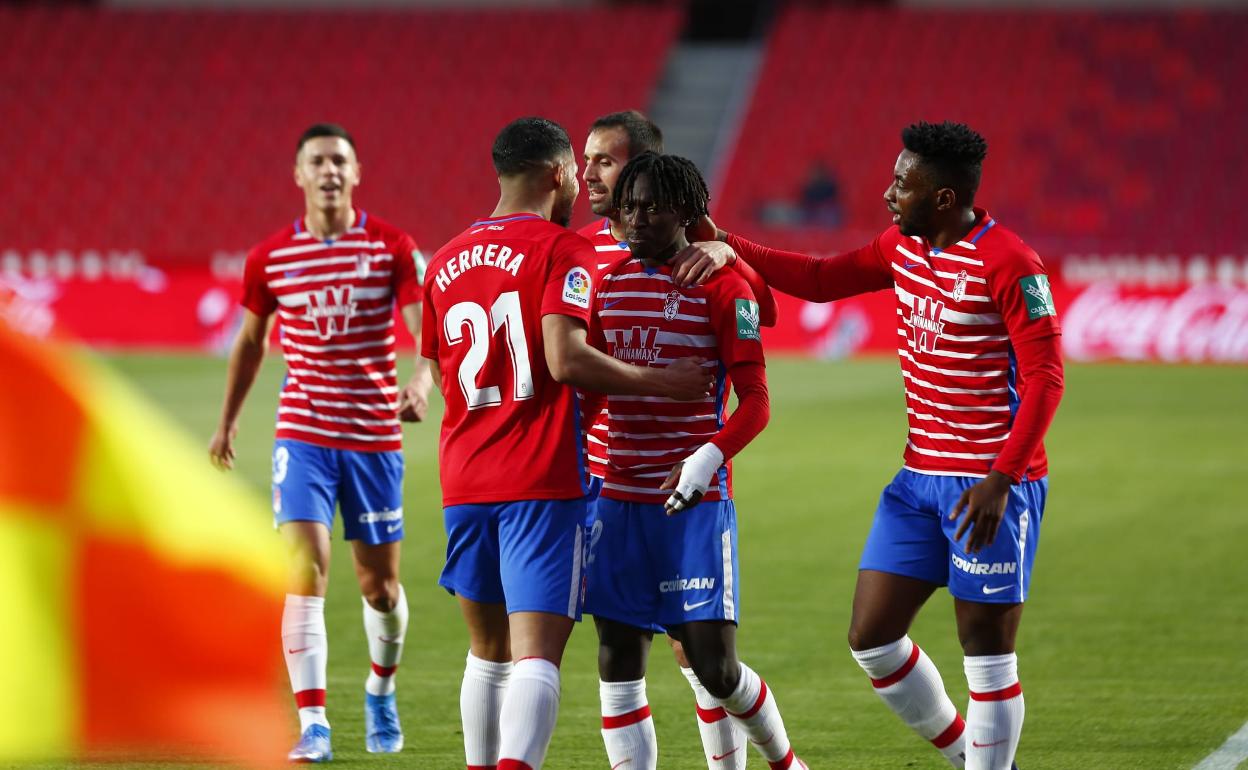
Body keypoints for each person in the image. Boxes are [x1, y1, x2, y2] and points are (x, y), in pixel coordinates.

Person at [673, 121, 1064, 770]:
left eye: (902, 184)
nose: (888, 193)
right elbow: (821, 278)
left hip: (988, 485)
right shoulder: (899, 248)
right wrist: (727, 244)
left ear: (942, 197)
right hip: (917, 483)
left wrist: (1002, 478)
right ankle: (974, 754)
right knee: (873, 638)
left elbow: (1047, 376)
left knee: (986, 656)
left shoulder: (1011, 264)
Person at [421, 117, 714, 770]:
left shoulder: (443, 260)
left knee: (485, 651)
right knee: (535, 654)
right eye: (576, 169)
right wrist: (660, 383)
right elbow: (564, 359)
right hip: (542, 477)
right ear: (557, 174)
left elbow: (443, 371)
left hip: (463, 475)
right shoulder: (561, 250)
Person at [208, 123, 432, 762]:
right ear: (299, 175)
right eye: (318, 161)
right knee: (303, 565)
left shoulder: (391, 246)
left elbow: (426, 328)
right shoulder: (270, 257)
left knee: (379, 587)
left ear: (356, 172)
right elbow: (250, 342)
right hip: (302, 432)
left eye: (340, 160)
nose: (330, 170)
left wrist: (421, 378)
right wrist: (227, 422)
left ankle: (379, 690)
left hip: (373, 438)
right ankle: (313, 724)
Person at [583, 152, 806, 770]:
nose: (636, 218)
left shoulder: (723, 286)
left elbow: (757, 403)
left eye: (652, 205)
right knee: (618, 660)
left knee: (715, 667)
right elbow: (593, 392)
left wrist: (706, 460)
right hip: (620, 501)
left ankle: (785, 763)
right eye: (628, 207)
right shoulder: (609, 285)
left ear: (686, 210)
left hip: (695, 507)